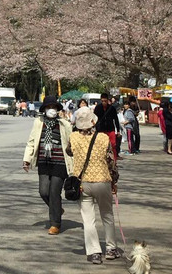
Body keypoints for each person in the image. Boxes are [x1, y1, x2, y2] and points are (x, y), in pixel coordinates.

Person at [66, 106, 120, 264]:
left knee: (88, 219)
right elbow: (111, 162)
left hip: (83, 183)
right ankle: (111, 248)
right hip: (102, 181)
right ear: (92, 122)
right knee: (107, 216)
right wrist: (114, 181)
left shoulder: (73, 137)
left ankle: (94, 252)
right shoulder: (103, 138)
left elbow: (69, 152)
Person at [22, 98, 75, 235]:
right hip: (44, 162)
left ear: (57, 109)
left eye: (53, 107)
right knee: (43, 191)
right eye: (48, 107)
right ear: (44, 109)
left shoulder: (64, 124)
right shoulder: (38, 122)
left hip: (60, 162)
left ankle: (55, 223)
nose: (51, 109)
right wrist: (27, 159)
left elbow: (72, 142)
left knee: (54, 192)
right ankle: (57, 208)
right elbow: (32, 141)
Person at [95, 92, 122, 160]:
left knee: (113, 144)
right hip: (101, 130)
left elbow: (116, 120)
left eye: (105, 101)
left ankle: (114, 160)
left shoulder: (112, 108)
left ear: (108, 100)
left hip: (110, 129)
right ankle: (102, 159)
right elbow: (94, 119)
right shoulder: (98, 108)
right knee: (101, 145)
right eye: (102, 101)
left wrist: (118, 130)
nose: (104, 102)